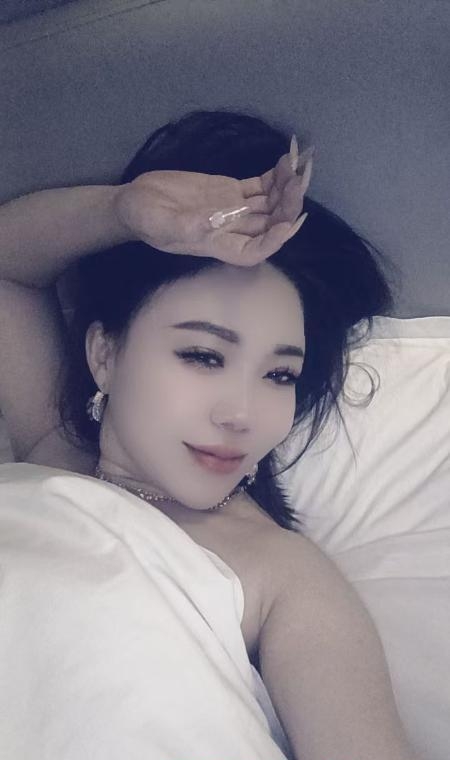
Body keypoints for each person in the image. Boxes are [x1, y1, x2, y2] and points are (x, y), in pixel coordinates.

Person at [0, 109, 417, 760]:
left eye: (279, 374)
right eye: (203, 356)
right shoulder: (54, 453)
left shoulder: (284, 577)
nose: (242, 413)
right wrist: (125, 212)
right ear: (105, 354)